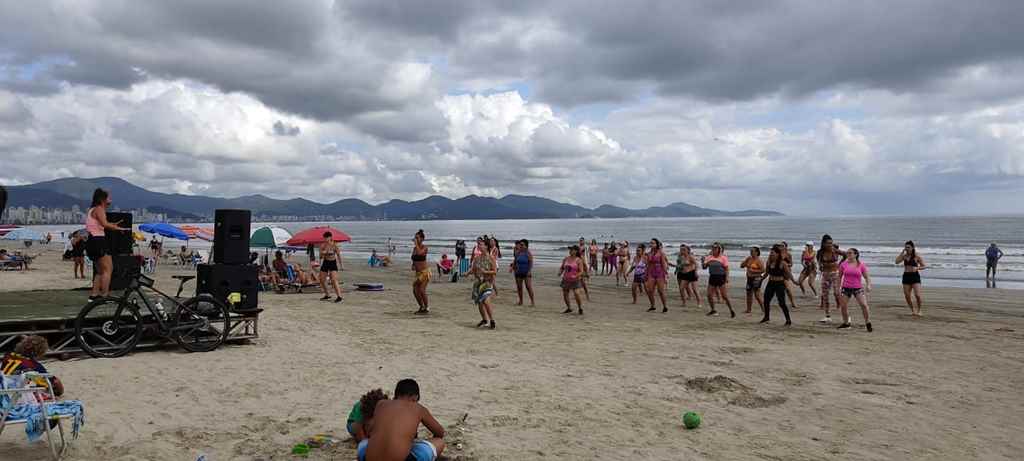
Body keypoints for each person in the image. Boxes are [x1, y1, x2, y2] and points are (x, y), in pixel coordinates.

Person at [357, 379, 445, 461]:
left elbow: (371, 431)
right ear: (415, 396)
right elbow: (440, 432)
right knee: (439, 442)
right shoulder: (418, 408)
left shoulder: (381, 404)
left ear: (396, 395)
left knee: (364, 444)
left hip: (368, 458)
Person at [85, 188, 130, 300]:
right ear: (102, 199)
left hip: (91, 241)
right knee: (108, 269)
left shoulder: (92, 210)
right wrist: (116, 227)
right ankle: (105, 295)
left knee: (100, 271)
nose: (110, 199)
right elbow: (104, 224)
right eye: (109, 197)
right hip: (98, 241)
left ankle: (94, 295)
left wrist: (112, 224)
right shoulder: (99, 209)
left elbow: (101, 224)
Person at [1, 335, 64, 399]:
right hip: (13, 393)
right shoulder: (34, 366)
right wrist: (59, 390)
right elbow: (56, 382)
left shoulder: (8, 355)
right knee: (42, 383)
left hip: (2, 384)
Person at [837, 248, 873, 331]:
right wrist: (838, 287)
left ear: (855, 254)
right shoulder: (843, 264)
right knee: (843, 306)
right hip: (846, 288)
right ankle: (846, 323)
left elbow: (867, 277)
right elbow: (839, 277)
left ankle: (868, 322)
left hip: (858, 288)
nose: (848, 254)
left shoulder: (861, 265)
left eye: (850, 253)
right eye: (847, 253)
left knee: (864, 305)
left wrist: (868, 285)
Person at [761, 244, 793, 326]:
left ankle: (788, 319)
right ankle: (766, 317)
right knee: (766, 300)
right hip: (771, 283)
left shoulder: (783, 263)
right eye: (770, 253)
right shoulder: (769, 262)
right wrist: (760, 279)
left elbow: (789, 274)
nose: (771, 254)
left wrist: (796, 282)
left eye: (773, 253)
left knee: (782, 303)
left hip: (780, 284)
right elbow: (766, 273)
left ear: (778, 254)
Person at [816, 234, 844, 323]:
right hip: (825, 274)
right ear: (823, 244)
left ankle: (843, 311)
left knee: (836, 292)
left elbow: (845, 255)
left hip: (835, 274)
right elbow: (819, 261)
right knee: (825, 295)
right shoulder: (820, 252)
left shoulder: (835, 250)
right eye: (828, 243)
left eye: (831, 243)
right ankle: (827, 316)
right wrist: (820, 265)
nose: (830, 245)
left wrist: (840, 265)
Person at [702, 243, 735, 317]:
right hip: (712, 277)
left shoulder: (723, 258)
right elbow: (704, 267)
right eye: (713, 248)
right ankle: (713, 310)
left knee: (724, 296)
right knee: (709, 295)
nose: (714, 250)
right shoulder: (709, 257)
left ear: (719, 250)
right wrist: (703, 261)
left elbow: (726, 269)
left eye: (715, 248)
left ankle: (731, 310)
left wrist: (727, 278)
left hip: (720, 277)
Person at [471, 238, 497, 328]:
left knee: (486, 301)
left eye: (481, 244)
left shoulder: (491, 258)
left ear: (486, 246)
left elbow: (494, 271)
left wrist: (485, 272)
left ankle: (492, 320)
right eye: (479, 245)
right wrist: (467, 273)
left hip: (487, 283)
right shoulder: (477, 258)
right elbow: (473, 269)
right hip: (478, 283)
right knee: (480, 302)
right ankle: (484, 319)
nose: (479, 246)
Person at [896, 240, 926, 317]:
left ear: (912, 247)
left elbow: (924, 266)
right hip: (906, 276)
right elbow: (896, 262)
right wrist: (901, 253)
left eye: (908, 247)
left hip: (915, 276)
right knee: (907, 295)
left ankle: (919, 310)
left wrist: (917, 268)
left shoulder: (917, 256)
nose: (907, 249)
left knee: (917, 295)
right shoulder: (904, 256)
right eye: (905, 247)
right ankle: (912, 310)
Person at [671, 244, 702, 308]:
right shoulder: (681, 257)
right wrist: (674, 267)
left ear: (687, 250)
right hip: (684, 274)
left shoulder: (690, 257)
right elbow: (680, 266)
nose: (682, 251)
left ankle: (699, 302)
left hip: (692, 274)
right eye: (681, 250)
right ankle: (684, 302)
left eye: (684, 250)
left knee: (695, 289)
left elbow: (696, 264)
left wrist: (696, 272)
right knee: (681, 288)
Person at [644, 239, 670, 312]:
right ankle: (653, 306)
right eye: (651, 243)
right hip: (651, 273)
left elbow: (663, 264)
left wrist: (666, 274)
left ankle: (665, 306)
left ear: (657, 244)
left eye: (653, 243)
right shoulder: (649, 253)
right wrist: (646, 274)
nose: (651, 244)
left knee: (660, 291)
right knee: (650, 290)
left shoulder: (661, 253)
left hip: (659, 273)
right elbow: (648, 264)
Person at [559, 245, 586, 315]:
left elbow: (581, 271)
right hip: (566, 279)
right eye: (570, 249)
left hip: (575, 280)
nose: (570, 251)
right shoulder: (566, 259)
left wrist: (576, 275)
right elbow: (562, 267)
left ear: (576, 251)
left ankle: (580, 308)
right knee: (565, 294)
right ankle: (569, 308)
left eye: (572, 250)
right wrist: (560, 272)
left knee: (576, 293)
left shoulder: (578, 260)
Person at [319, 231, 344, 303]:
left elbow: (338, 255)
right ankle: (327, 294)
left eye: (327, 237)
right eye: (325, 238)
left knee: (333, 279)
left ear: (330, 237)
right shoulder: (323, 245)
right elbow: (320, 257)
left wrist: (341, 265)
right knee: (322, 279)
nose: (326, 239)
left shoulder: (334, 245)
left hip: (333, 262)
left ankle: (339, 296)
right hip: (325, 262)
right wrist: (323, 253)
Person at [741, 246, 765, 315]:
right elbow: (742, 265)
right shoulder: (749, 258)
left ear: (757, 252)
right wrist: (743, 264)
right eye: (750, 251)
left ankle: (763, 309)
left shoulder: (759, 260)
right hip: (749, 278)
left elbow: (763, 270)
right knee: (748, 294)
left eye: (752, 251)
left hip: (756, 278)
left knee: (757, 295)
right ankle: (748, 309)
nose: (751, 252)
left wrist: (753, 270)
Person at [412, 230, 431, 314]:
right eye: (415, 238)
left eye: (417, 238)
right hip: (418, 273)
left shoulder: (424, 247)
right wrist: (413, 264)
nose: (415, 239)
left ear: (422, 239)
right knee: (415, 290)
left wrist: (416, 244)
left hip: (425, 272)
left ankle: (426, 308)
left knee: (422, 290)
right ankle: (421, 306)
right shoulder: (414, 248)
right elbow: (414, 257)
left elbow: (420, 253)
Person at [511, 239, 535, 306]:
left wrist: (529, 271)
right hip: (518, 272)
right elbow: (515, 261)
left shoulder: (528, 253)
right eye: (520, 245)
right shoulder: (518, 252)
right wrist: (512, 268)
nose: (520, 246)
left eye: (522, 245)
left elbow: (531, 263)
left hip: (526, 272)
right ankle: (521, 301)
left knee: (528, 287)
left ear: (526, 246)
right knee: (519, 287)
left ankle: (532, 302)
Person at [780, 242, 800, 309]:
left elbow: (791, 264)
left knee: (787, 289)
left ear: (786, 247)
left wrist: (786, 265)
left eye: (782, 246)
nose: (781, 247)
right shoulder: (778, 254)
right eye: (780, 246)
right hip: (778, 273)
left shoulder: (788, 255)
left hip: (786, 273)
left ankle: (793, 303)